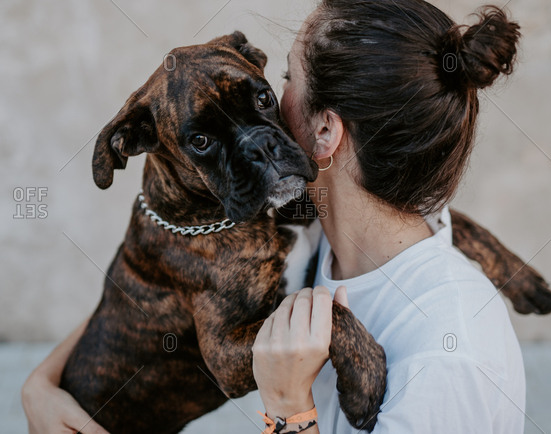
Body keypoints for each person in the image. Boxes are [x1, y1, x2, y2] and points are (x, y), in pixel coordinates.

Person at [23, 1, 525, 433]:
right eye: (203, 140)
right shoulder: (336, 226)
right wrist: (40, 384)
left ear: (327, 129)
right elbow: (155, 291)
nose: (257, 136)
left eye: (272, 91)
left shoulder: (449, 363)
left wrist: (287, 410)